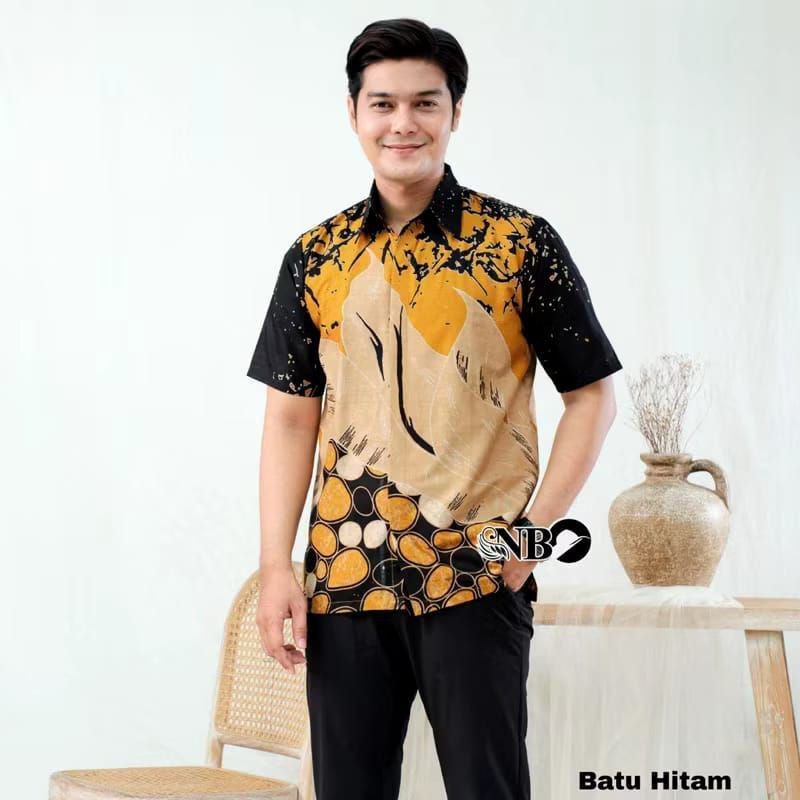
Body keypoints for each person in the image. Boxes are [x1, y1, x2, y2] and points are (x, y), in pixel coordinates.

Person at [247, 17, 622, 800]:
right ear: (354, 113)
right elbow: (290, 416)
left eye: (425, 103)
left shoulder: (520, 244)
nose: (403, 124)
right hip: (344, 578)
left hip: (476, 575)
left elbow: (591, 398)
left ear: (455, 111)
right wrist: (277, 566)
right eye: (383, 104)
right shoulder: (314, 258)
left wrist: (532, 537)